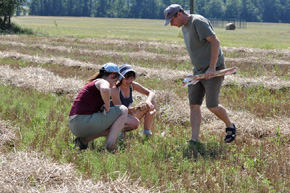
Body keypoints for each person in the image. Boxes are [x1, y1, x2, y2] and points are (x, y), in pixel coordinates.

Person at [164, 4, 236, 143]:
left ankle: (230, 125)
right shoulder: (184, 26)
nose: (172, 25)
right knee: (194, 104)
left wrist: (212, 67)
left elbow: (215, 42)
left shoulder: (198, 22)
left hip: (213, 70)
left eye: (172, 21)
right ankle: (194, 139)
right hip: (197, 71)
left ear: (178, 14)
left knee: (212, 105)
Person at [69, 63, 128, 151]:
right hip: (83, 122)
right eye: (117, 79)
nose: (116, 82)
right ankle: (110, 146)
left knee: (114, 125)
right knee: (123, 110)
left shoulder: (94, 83)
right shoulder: (103, 81)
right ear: (112, 75)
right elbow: (105, 90)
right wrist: (107, 106)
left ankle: (83, 141)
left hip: (74, 125)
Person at [111, 64, 157, 137]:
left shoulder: (132, 85)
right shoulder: (115, 89)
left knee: (152, 102)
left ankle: (146, 132)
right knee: (135, 122)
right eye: (126, 78)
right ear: (120, 78)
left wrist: (148, 101)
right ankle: (118, 131)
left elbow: (151, 93)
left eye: (131, 78)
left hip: (126, 114)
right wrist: (137, 108)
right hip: (116, 117)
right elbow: (120, 110)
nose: (129, 81)